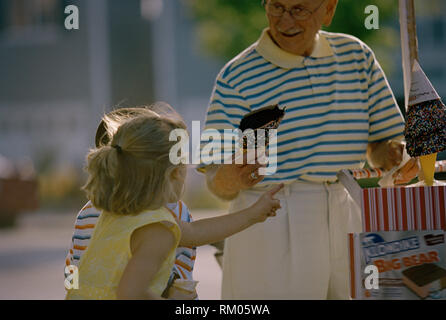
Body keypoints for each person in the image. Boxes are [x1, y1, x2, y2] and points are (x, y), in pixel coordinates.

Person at [201, 0, 418, 299]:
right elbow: (215, 180)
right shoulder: (236, 75)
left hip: (348, 208)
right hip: (271, 214)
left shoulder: (358, 57)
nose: (285, 21)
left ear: (328, 10)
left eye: (299, 9)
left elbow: (380, 145)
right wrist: (230, 178)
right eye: (276, 6)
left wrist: (397, 154)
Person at [65, 106, 283, 300]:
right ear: (174, 174)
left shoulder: (104, 212)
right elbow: (132, 292)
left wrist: (253, 213)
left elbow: (74, 267)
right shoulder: (161, 226)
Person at [65, 105, 197, 299]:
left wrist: (72, 292)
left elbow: (73, 267)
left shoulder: (87, 212)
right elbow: (180, 276)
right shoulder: (174, 212)